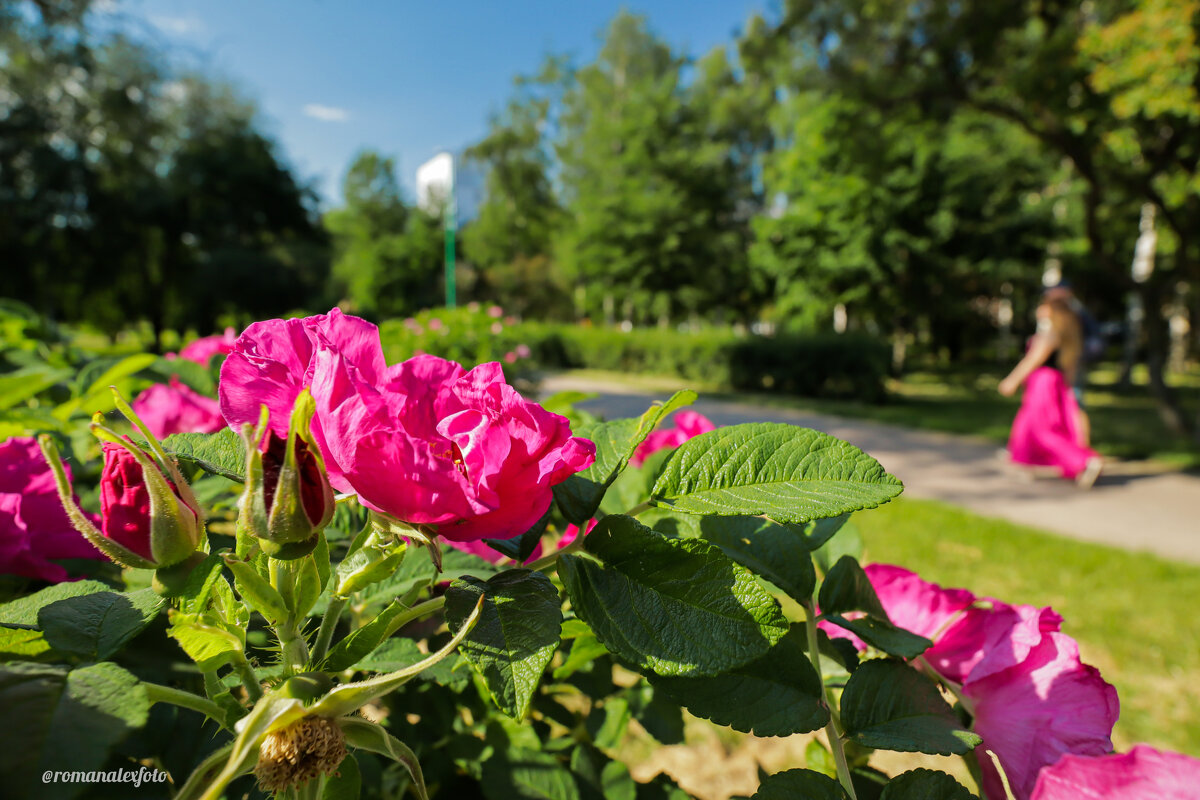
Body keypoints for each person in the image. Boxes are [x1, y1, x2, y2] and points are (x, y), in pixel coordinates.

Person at [999, 297, 1103, 488]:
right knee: (1028, 424)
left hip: (1042, 383)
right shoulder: (1068, 335)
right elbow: (1069, 368)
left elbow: (1033, 359)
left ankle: (1084, 461)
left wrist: (1012, 380)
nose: (1039, 310)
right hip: (1056, 382)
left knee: (1042, 428)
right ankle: (1022, 463)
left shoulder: (1050, 334)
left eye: (1042, 306)